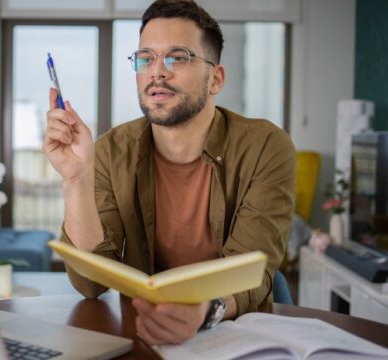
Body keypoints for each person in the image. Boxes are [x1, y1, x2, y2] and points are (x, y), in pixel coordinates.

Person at [43, 0, 295, 345]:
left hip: (236, 332)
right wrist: (76, 179)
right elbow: (90, 283)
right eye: (145, 58)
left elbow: (253, 270)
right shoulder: (109, 150)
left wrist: (203, 311)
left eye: (178, 57)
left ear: (215, 79)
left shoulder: (266, 146)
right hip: (146, 331)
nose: (157, 71)